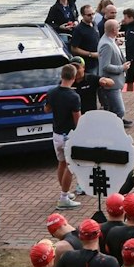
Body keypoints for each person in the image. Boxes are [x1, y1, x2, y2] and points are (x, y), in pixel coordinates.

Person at [46, 63, 81, 210]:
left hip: (56, 134)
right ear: (74, 77)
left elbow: (46, 109)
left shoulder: (52, 92)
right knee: (70, 166)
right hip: (68, 135)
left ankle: (63, 191)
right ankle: (64, 197)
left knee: (61, 163)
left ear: (61, 76)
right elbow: (77, 121)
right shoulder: (74, 96)